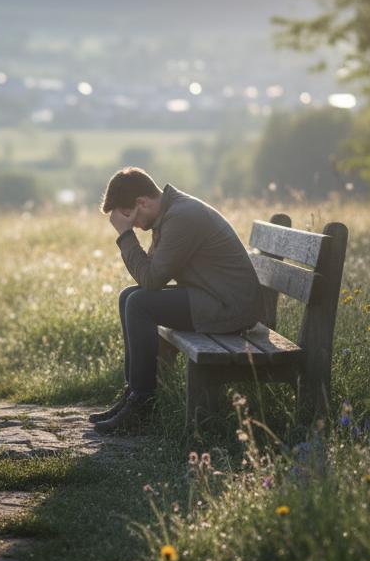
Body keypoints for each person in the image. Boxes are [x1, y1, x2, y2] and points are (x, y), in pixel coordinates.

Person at [91, 168, 261, 434]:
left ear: (142, 203)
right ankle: (133, 396)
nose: (133, 225)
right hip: (213, 297)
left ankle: (142, 405)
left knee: (139, 304)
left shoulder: (182, 217)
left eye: (131, 219)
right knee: (128, 297)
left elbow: (151, 280)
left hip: (229, 308)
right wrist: (134, 237)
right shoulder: (170, 213)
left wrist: (125, 236)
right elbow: (149, 274)